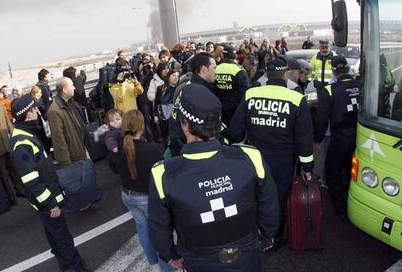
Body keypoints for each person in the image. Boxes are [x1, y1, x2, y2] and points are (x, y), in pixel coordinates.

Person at [148, 84, 279, 272]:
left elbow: (159, 226)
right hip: (247, 254)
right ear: (218, 123)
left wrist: (169, 255)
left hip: (198, 261)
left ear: (185, 124)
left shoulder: (163, 173)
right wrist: (268, 235)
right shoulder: (250, 156)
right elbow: (269, 204)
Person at [230, 57, 314, 244]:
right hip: (282, 160)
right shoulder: (296, 98)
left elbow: (235, 131)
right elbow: (304, 138)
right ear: (285, 74)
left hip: (255, 157)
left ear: (267, 74)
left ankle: (254, 231)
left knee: (255, 194)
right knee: (276, 197)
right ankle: (273, 236)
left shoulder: (251, 94)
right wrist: (307, 167)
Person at [9, 94, 90, 272]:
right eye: (35, 109)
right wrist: (51, 203)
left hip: (45, 199)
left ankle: (65, 264)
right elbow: (31, 180)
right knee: (62, 237)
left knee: (54, 236)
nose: (38, 111)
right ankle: (76, 268)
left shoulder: (25, 134)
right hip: (46, 201)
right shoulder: (22, 142)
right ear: (28, 113)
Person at [116, 110, 173, 272]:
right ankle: (165, 268)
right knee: (159, 232)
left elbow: (114, 168)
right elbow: (162, 172)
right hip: (146, 197)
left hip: (127, 195)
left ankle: (153, 263)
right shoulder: (150, 149)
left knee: (142, 228)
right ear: (141, 126)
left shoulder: (120, 147)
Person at [314, 56, 361, 215]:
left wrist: (318, 138)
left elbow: (322, 118)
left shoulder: (329, 90)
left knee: (332, 170)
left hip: (340, 138)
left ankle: (338, 206)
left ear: (334, 71)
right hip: (362, 137)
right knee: (353, 169)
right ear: (348, 69)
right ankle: (352, 199)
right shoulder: (361, 85)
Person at [169, 52, 218, 156]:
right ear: (204, 69)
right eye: (214, 68)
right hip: (191, 148)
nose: (216, 72)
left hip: (182, 145)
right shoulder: (197, 92)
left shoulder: (189, 87)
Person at [0, 85, 20, 205]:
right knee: (3, 174)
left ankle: (19, 190)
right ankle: (11, 197)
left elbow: (8, 123)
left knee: (13, 169)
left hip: (6, 144)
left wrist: (14, 136)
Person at [47, 77, 88, 168]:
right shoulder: (55, 111)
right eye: (72, 86)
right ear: (64, 90)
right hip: (74, 159)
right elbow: (59, 140)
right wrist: (67, 164)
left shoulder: (69, 104)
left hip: (81, 152)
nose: (74, 88)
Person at [214, 45, 250, 126]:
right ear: (235, 56)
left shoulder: (215, 69)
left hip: (219, 109)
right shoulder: (239, 70)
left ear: (222, 55)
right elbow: (245, 92)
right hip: (236, 110)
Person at [154, 70, 180, 147]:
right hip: (163, 116)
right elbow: (156, 102)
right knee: (164, 136)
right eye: (173, 76)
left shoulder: (179, 89)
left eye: (177, 76)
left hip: (175, 116)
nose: (176, 78)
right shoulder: (161, 88)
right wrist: (156, 114)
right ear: (168, 77)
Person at [103, 109, 124, 173]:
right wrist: (113, 147)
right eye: (112, 121)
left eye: (117, 119)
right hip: (116, 156)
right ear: (108, 122)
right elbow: (110, 139)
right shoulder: (111, 132)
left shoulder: (124, 128)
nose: (115, 122)